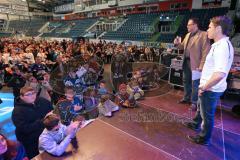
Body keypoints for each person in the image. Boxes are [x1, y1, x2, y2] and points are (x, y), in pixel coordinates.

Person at [186, 16, 234, 145]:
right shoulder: (219, 44)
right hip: (209, 86)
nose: (208, 30)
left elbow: (219, 74)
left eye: (210, 27)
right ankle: (196, 124)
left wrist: (204, 87)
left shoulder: (222, 47)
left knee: (207, 115)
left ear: (218, 29)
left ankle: (204, 138)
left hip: (210, 88)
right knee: (201, 109)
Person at [174, 18, 210, 109]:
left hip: (196, 64)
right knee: (186, 81)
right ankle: (186, 98)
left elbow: (206, 52)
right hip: (186, 62)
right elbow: (181, 46)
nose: (187, 26)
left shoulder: (204, 35)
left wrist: (202, 66)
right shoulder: (187, 35)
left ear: (195, 25)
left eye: (189, 24)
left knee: (195, 84)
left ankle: (194, 102)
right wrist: (177, 44)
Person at [11, 86, 53, 158]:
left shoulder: (42, 101)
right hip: (31, 141)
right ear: (21, 97)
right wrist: (43, 121)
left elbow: (52, 111)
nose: (32, 96)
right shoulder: (17, 111)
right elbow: (25, 129)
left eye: (33, 93)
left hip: (48, 135)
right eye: (28, 94)